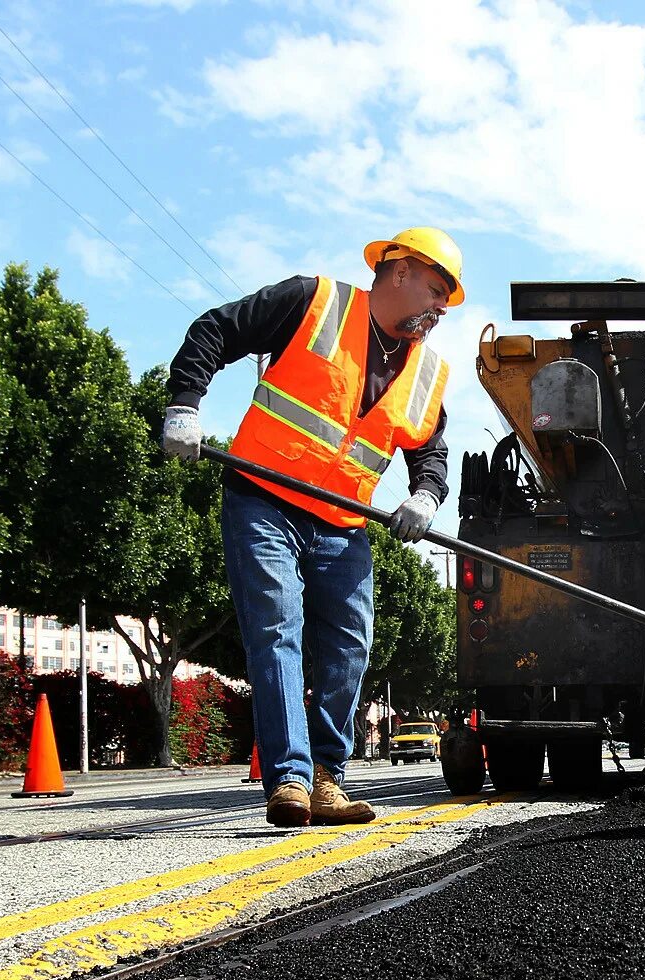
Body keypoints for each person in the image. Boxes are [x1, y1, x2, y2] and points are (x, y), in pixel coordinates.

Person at [159, 228, 461, 827]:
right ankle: (290, 780)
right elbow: (214, 330)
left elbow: (431, 451)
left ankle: (328, 777)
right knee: (277, 631)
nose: (437, 311)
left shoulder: (427, 374)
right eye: (434, 291)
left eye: (445, 303)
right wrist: (185, 405)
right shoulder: (313, 302)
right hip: (263, 500)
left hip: (342, 524)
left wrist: (425, 496)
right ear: (397, 271)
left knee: (351, 644)